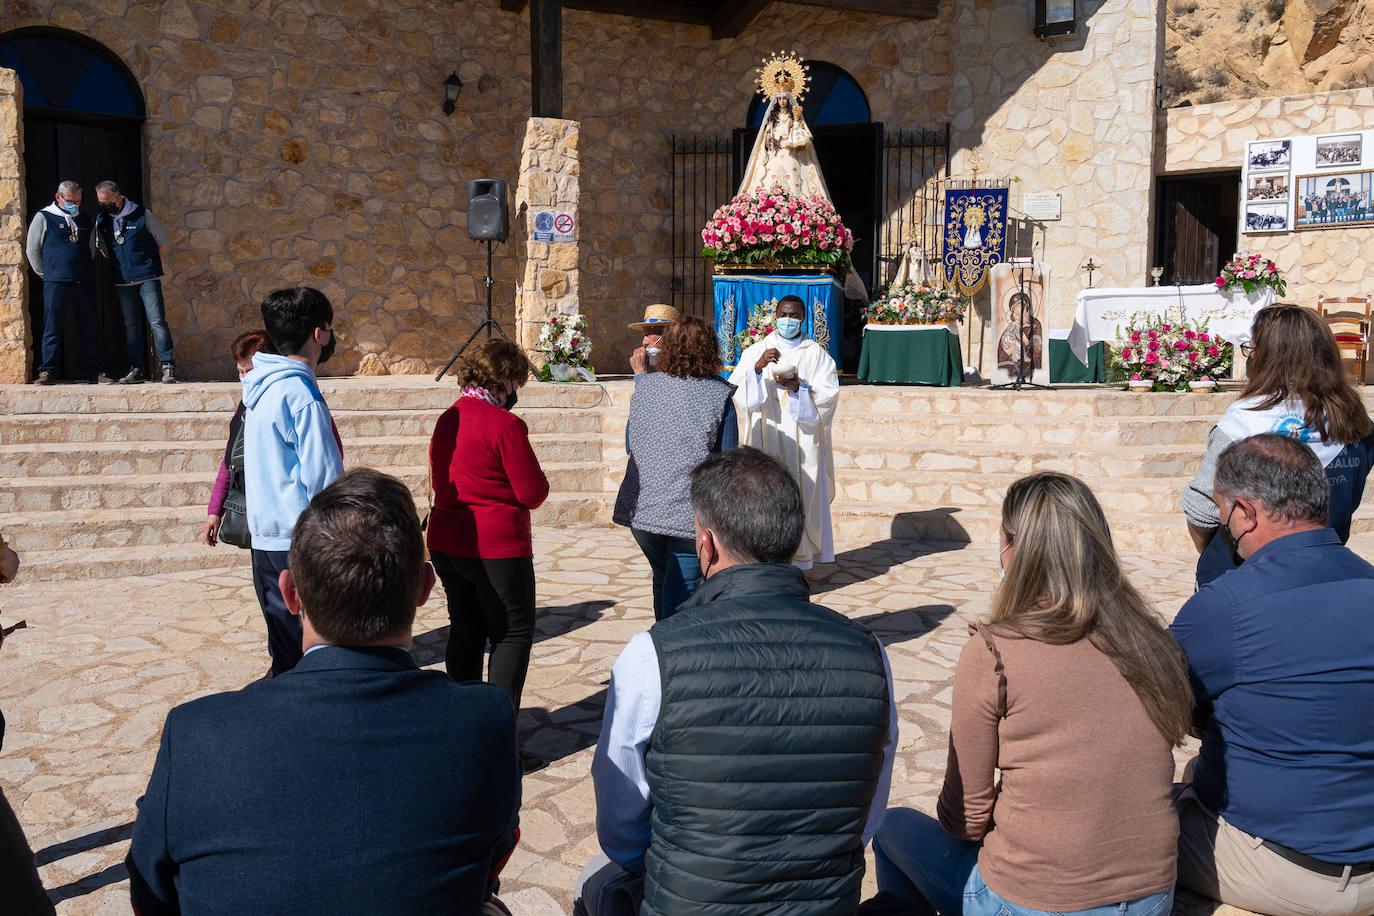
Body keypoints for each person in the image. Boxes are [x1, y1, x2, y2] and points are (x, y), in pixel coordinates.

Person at [127, 469, 522, 915]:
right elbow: (492, 854)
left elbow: (150, 893)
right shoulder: (485, 718)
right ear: (425, 589)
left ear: (290, 594)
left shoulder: (196, 732)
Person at [577, 447, 897, 916]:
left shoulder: (653, 656)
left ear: (705, 545)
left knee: (595, 876)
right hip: (822, 904)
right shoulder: (871, 655)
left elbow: (622, 822)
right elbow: (866, 817)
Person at [869, 472, 1192, 916]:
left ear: (1014, 548)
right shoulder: (1153, 641)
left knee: (891, 828)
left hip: (1036, 900)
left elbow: (965, 818)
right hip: (1152, 895)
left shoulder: (994, 651)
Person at [1170, 435, 1374, 915]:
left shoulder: (1226, 605)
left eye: (1224, 519)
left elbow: (1156, 706)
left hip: (1291, 868)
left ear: (1247, 511)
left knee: (1128, 823)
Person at [1182, 303, 1374, 586]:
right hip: (1322, 573)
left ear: (1268, 358)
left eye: (1253, 348)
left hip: (1240, 576)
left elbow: (1203, 511)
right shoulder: (1357, 425)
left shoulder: (1243, 424)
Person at [427, 339, 548, 728]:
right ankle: (497, 737)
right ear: (506, 380)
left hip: (448, 541)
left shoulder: (449, 418)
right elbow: (532, 492)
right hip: (497, 547)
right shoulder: (506, 425)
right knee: (511, 635)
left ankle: (463, 727)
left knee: (465, 627)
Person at [242, 287, 344, 677]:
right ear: (319, 334)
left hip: (265, 535)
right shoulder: (301, 396)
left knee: (285, 647)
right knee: (314, 651)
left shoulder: (260, 387)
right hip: (299, 540)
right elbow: (324, 481)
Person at [613, 315, 737, 620]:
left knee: (663, 578)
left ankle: (659, 651)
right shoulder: (719, 394)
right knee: (682, 598)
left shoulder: (645, 386)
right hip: (687, 515)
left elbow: (632, 443)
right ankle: (673, 655)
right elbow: (726, 461)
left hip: (641, 511)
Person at [728, 294, 839, 568]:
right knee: (763, 493)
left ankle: (799, 559)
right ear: (775, 316)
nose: (787, 320)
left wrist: (797, 388)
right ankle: (761, 555)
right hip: (766, 431)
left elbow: (829, 396)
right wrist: (756, 370)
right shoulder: (756, 350)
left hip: (802, 437)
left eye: (794, 315)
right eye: (783, 314)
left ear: (803, 318)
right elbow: (738, 391)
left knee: (801, 492)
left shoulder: (816, 354)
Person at [94, 180, 177, 384]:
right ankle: (136, 369)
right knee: (131, 325)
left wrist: (148, 263)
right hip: (122, 281)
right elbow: (103, 249)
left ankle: (167, 366)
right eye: (100, 202)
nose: (103, 205)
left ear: (118, 197)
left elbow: (163, 242)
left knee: (157, 321)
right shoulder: (102, 220)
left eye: (107, 201)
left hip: (147, 277)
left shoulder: (142, 214)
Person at [202, 330, 276, 548]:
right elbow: (231, 460)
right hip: (251, 516)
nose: (245, 379)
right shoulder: (244, 407)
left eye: (249, 371)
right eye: (240, 372)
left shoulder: (285, 402)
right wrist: (214, 512)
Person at [24, 180, 101, 386]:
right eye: (70, 201)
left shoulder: (85, 220)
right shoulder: (44, 217)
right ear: (58, 197)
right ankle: (47, 371)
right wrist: (46, 273)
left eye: (78, 201)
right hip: (56, 282)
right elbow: (32, 250)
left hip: (82, 281)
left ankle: (95, 371)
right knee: (53, 327)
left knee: (89, 327)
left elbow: (91, 249)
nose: (74, 204)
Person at [626, 302, 679, 374]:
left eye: (649, 335)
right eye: (645, 335)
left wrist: (640, 371)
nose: (644, 342)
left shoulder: (684, 375)